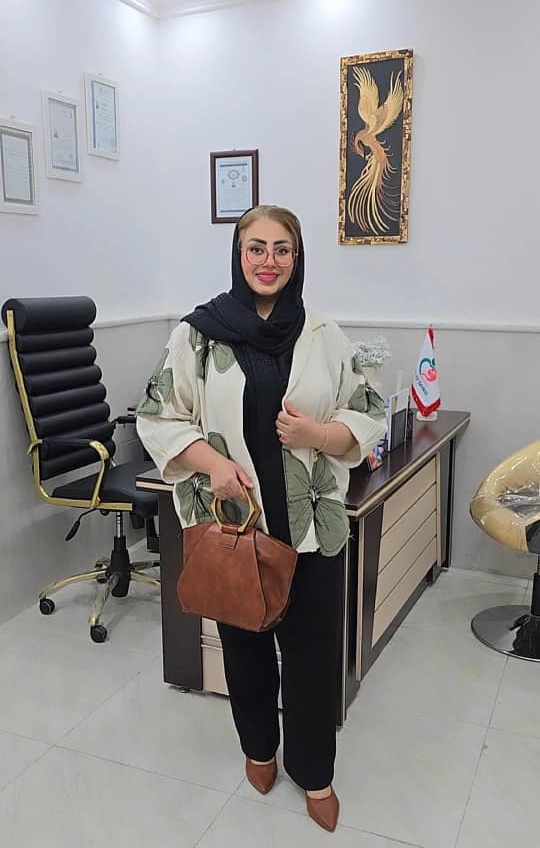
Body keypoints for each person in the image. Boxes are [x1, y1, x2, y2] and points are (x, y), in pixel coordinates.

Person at [136, 204, 386, 832]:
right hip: (235, 526)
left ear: (297, 259)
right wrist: (213, 464)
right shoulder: (197, 335)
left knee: (312, 655)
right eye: (257, 248)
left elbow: (367, 413)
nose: (268, 261)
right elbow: (159, 416)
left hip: (312, 531)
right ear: (238, 254)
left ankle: (314, 772)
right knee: (245, 648)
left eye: (282, 249)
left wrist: (317, 434)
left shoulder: (324, 336)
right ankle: (258, 749)